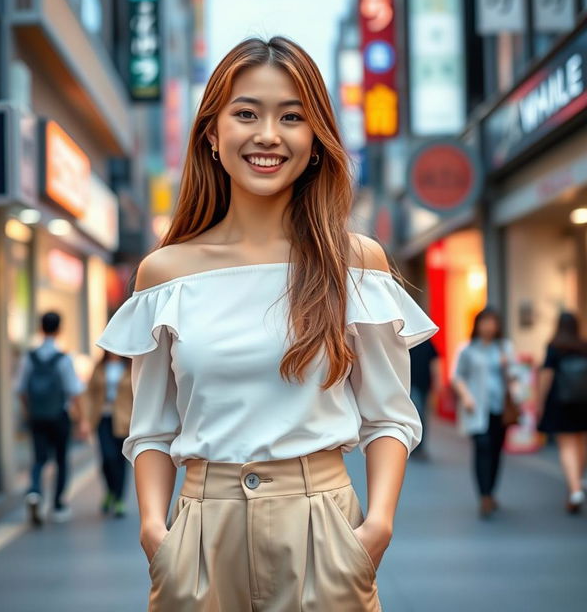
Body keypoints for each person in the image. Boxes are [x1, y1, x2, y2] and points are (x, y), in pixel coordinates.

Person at [96, 36, 438, 611]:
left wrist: (375, 528)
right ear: (211, 132)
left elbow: (389, 417)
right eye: (246, 113)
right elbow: (151, 427)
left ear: (314, 140)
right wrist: (156, 535)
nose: (268, 135)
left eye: (292, 117)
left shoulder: (354, 262)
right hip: (201, 534)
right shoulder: (165, 273)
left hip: (322, 529)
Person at [15, 311, 90, 525]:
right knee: (60, 459)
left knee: (39, 459)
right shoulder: (64, 359)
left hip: (37, 416)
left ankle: (35, 491)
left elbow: (20, 389)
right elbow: (74, 392)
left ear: (40, 328)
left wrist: (29, 411)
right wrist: (82, 420)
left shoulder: (28, 358)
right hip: (59, 415)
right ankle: (58, 505)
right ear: (59, 329)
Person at [452, 307, 518, 519]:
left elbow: (517, 376)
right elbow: (457, 376)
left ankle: (491, 491)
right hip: (476, 409)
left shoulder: (504, 348)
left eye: (493, 322)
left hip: (500, 409)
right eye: (485, 322)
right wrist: (466, 396)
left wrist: (508, 368)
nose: (489, 326)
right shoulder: (468, 349)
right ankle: (484, 496)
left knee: (497, 452)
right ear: (478, 324)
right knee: (482, 448)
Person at [536, 311, 587, 514]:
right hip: (583, 403)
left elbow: (546, 376)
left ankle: (574, 489)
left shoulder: (554, 347)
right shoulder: (583, 346)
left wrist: (539, 402)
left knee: (566, 446)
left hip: (561, 402)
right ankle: (575, 485)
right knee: (581, 443)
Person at [82, 349, 133, 518]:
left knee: (119, 460)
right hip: (102, 419)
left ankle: (118, 499)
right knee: (106, 458)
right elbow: (89, 393)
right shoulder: (100, 366)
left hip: (123, 420)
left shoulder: (130, 366)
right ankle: (110, 490)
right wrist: (85, 419)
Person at [409, 337, 441, 460]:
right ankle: (414, 445)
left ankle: (419, 446)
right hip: (412, 385)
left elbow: (435, 363)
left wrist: (437, 383)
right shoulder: (409, 341)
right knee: (419, 413)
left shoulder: (428, 343)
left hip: (425, 385)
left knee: (423, 416)